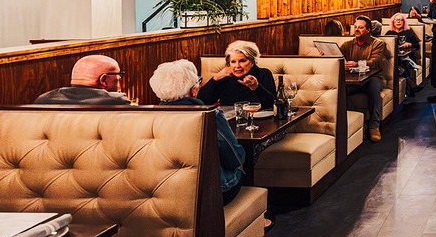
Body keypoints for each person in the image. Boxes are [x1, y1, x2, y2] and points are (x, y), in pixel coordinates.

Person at [150, 60, 247, 205]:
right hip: (211, 194)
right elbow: (235, 158)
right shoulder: (209, 115)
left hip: (160, 191)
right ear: (194, 90)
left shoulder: (147, 117)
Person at [341, 16, 390, 142]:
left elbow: (375, 61)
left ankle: (374, 126)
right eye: (356, 27)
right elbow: (337, 57)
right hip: (353, 80)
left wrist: (356, 64)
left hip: (373, 78)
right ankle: (358, 122)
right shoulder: (347, 45)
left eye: (361, 27)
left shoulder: (377, 44)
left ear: (368, 30)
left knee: (374, 88)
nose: (357, 29)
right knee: (339, 91)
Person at [198, 41, 276, 109]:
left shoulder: (263, 74)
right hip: (228, 122)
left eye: (242, 61)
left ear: (252, 61)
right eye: (233, 62)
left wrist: (256, 87)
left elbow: (271, 105)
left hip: (259, 122)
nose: (237, 66)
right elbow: (202, 103)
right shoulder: (225, 77)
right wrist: (215, 79)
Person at [34, 55, 131, 105]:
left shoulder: (43, 99)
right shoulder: (116, 101)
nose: (119, 80)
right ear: (103, 80)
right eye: (119, 75)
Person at [385, 13, 422, 95]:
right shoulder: (389, 33)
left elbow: (417, 45)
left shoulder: (408, 32)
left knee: (405, 64)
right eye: (396, 20)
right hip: (395, 58)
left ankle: (408, 91)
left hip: (408, 57)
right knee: (400, 64)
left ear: (404, 22)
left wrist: (410, 44)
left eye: (400, 20)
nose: (398, 22)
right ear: (393, 22)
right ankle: (411, 88)